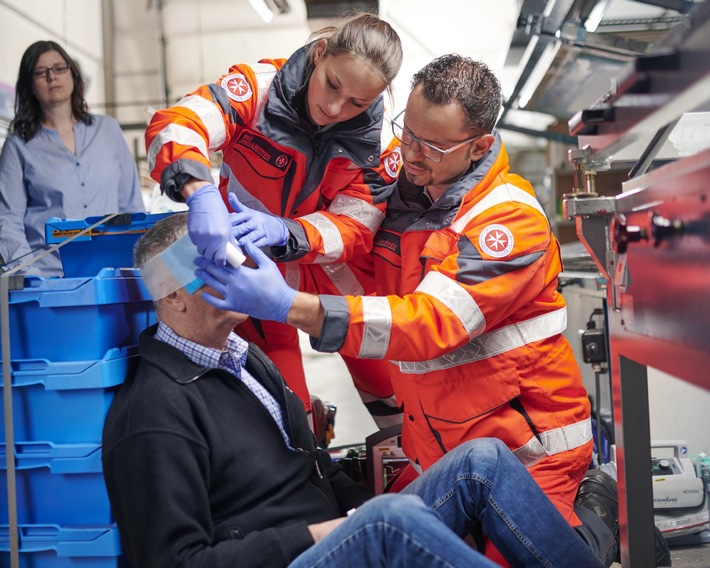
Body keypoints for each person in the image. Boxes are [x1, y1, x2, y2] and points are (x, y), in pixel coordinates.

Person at [193, 54, 600, 548]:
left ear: (480, 147)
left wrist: (288, 304)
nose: (412, 153)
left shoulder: (509, 222)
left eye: (433, 145)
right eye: (407, 132)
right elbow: (350, 258)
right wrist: (285, 232)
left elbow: (430, 322)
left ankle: (597, 527)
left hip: (529, 459)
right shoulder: (404, 200)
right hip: (444, 453)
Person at [101, 211, 606, 568]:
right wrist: (326, 531)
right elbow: (173, 561)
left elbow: (314, 469)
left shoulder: (246, 358)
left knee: (483, 461)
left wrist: (359, 505)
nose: (241, 274)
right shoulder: (153, 411)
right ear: (172, 296)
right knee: (388, 522)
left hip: (336, 535)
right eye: (217, 268)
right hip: (298, 554)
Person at [144, 12, 404, 428]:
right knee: (284, 413)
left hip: (339, 287)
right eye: (332, 84)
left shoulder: (381, 148)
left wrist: (288, 232)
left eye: (358, 102)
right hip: (251, 275)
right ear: (320, 54)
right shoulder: (257, 90)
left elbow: (357, 226)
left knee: (398, 405)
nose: (335, 108)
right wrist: (199, 191)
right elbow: (177, 124)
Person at [0, 40, 145, 277]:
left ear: (73, 74)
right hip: (51, 280)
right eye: (41, 72)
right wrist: (30, 276)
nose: (52, 77)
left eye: (59, 68)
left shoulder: (108, 130)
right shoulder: (18, 146)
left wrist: (140, 267)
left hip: (114, 277)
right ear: (29, 86)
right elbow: (7, 221)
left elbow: (132, 206)